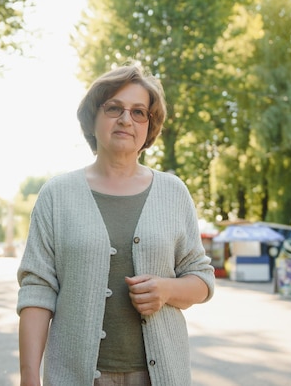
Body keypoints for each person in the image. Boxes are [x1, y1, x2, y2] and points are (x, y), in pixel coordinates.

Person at [16, 64, 215, 386]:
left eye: (139, 112)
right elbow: (38, 289)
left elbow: (202, 278)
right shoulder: (57, 195)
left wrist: (167, 289)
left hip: (159, 376)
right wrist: (28, 378)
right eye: (114, 108)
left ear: (150, 127)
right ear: (93, 119)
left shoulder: (173, 192)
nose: (126, 119)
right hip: (74, 376)